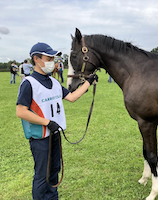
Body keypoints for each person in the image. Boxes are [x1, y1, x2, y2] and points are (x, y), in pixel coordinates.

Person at [16, 42, 98, 200]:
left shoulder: (54, 82)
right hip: (40, 137)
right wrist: (47, 122)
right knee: (42, 174)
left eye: (53, 58)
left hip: (55, 134)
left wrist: (88, 82)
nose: (52, 61)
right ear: (37, 59)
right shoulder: (28, 83)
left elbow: (72, 97)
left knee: (54, 169)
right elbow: (21, 112)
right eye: (49, 58)